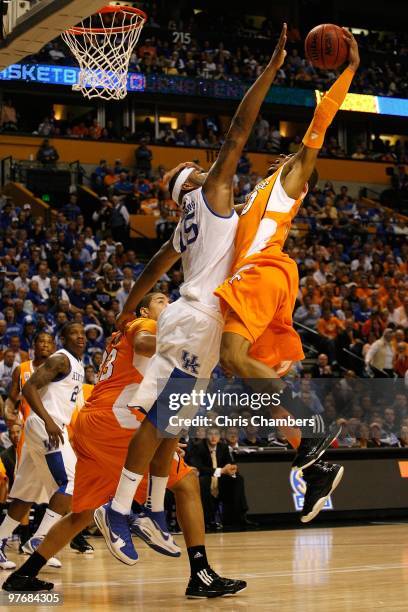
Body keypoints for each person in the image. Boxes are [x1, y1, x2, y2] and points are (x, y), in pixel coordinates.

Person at [94, 25, 289, 570]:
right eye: (201, 171)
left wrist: (129, 307)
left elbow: (155, 266)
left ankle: (153, 509)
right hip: (197, 316)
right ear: (193, 185)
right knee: (160, 418)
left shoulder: (186, 227)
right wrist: (270, 70)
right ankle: (118, 507)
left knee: (173, 421)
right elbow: (239, 132)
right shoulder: (209, 195)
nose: (213, 168)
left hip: (196, 318)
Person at [3, 294, 246, 598]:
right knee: (187, 482)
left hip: (95, 423)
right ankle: (200, 573)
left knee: (85, 512)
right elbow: (145, 343)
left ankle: (24, 575)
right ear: (144, 309)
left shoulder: (137, 334)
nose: (169, 304)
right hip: (116, 421)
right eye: (160, 300)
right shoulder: (144, 324)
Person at [214, 28, 360, 523]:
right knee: (247, 378)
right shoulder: (259, 194)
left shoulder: (291, 180)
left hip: (263, 276)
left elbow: (320, 121)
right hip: (260, 284)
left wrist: (348, 73)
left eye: (296, 158)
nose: (285, 156)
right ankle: (314, 465)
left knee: (233, 359)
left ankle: (316, 433)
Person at [0, 324, 85, 571]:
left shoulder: (78, 365)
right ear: (63, 339)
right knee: (71, 483)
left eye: (82, 332)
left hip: (47, 428)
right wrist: (48, 421)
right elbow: (28, 388)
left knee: (25, 496)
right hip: (46, 426)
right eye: (73, 332)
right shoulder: (61, 359)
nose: (80, 335)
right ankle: (42, 539)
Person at [187, 427, 250, 530]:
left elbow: (229, 464)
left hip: (220, 481)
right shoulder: (198, 447)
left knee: (238, 479)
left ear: (220, 436)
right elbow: (199, 468)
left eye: (216, 434)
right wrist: (221, 471)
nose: (213, 437)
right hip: (205, 478)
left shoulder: (223, 447)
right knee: (204, 480)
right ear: (206, 436)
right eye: (210, 434)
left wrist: (232, 469)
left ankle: (240, 516)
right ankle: (207, 519)